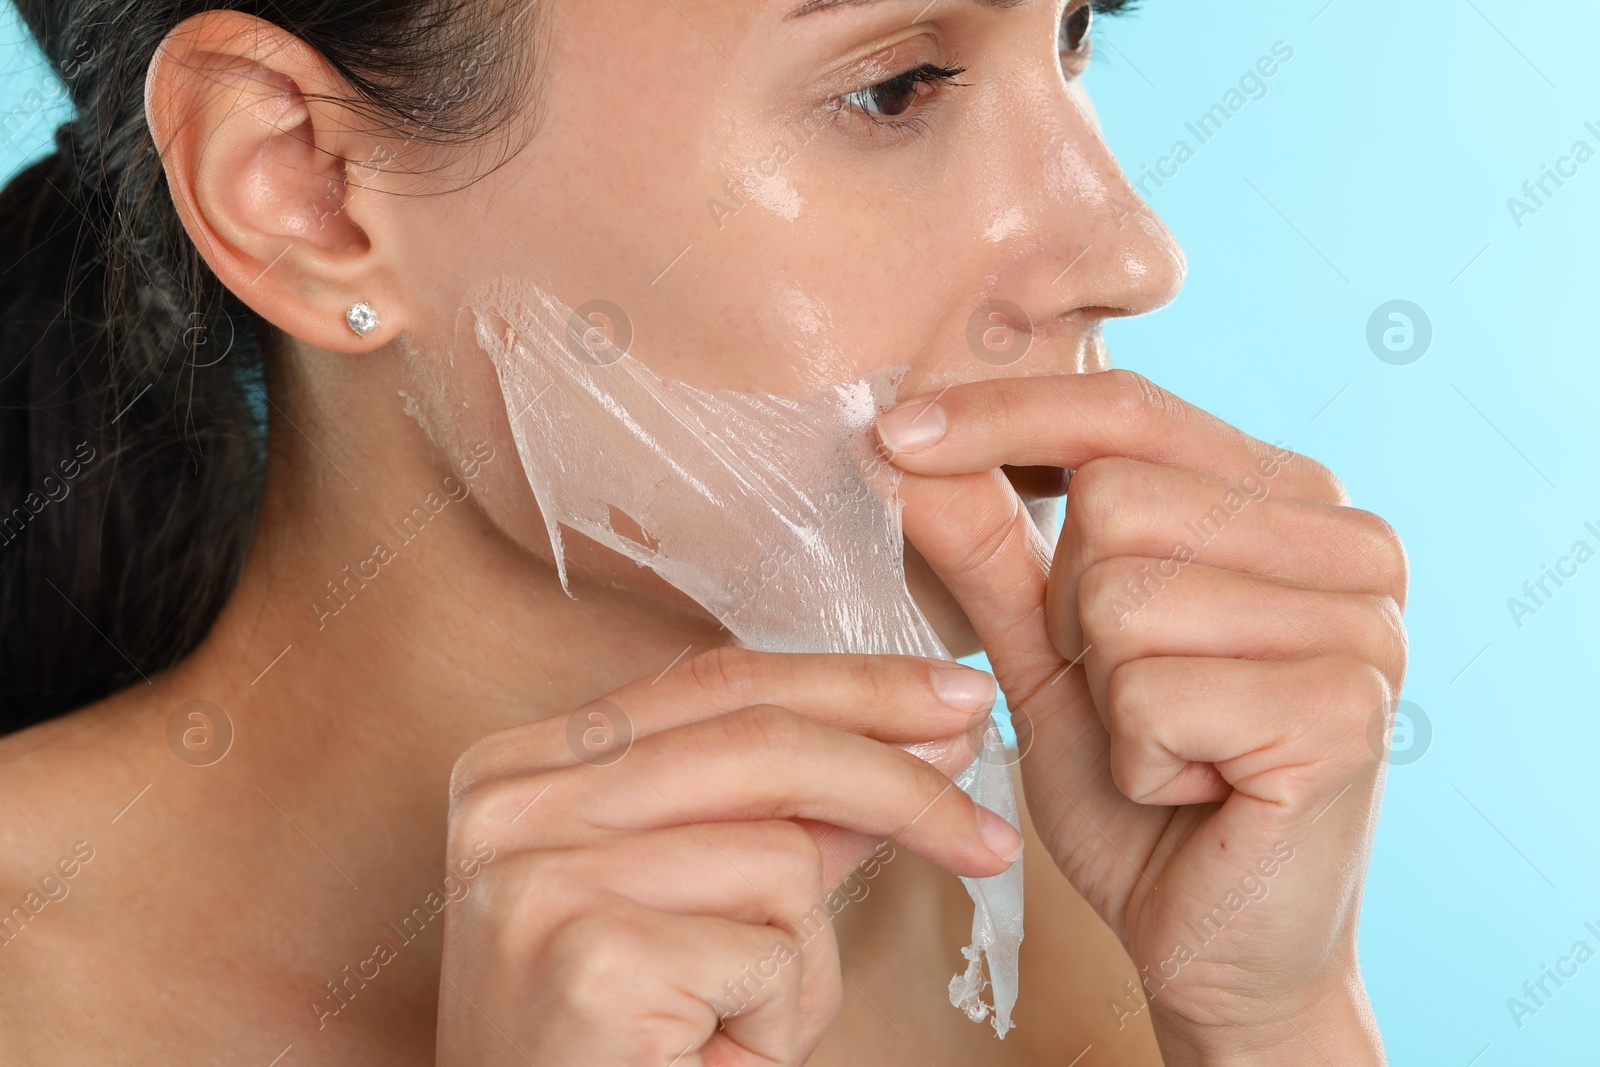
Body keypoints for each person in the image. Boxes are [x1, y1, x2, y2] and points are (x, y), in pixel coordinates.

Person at [0, 0, 1405, 1062]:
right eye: (895, 86)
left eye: (1076, 31)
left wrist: (1277, 1021)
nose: (1132, 253)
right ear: (306, 190)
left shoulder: (1050, 915)